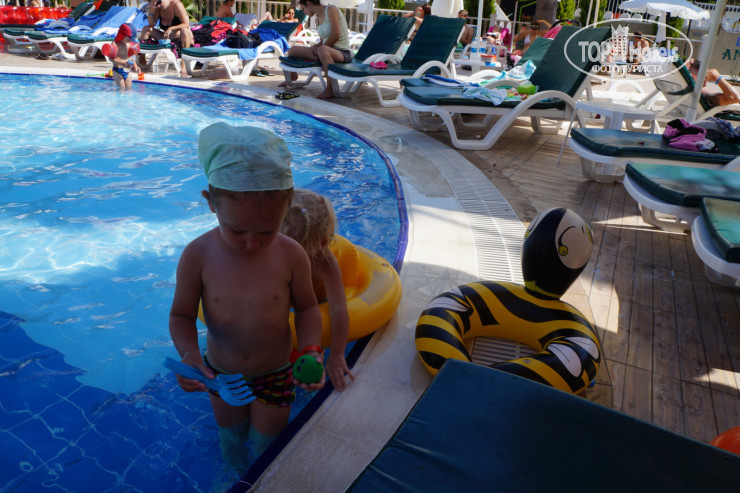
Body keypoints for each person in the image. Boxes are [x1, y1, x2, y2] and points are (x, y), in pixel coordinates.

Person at [169, 123, 325, 468]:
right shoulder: (198, 256)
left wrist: (312, 350)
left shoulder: (291, 255)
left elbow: (307, 308)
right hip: (221, 374)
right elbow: (181, 315)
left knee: (269, 445)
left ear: (286, 208)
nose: (252, 243)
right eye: (237, 230)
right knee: (232, 438)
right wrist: (189, 354)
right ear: (211, 203)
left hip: (277, 371)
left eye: (267, 232)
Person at [280, 189, 355, 391]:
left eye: (295, 250)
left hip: (316, 300)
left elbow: (338, 309)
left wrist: (337, 355)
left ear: (321, 244)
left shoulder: (324, 262)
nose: (284, 254)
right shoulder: (275, 252)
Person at [278, 0, 351, 99]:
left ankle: (331, 89)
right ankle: (292, 76)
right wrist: (314, 48)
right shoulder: (318, 17)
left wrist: (319, 49)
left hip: (342, 52)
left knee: (322, 50)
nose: (304, 12)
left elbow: (336, 35)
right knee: (292, 50)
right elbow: (323, 41)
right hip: (324, 50)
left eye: (304, 8)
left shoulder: (331, 9)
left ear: (308, 3)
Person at [139, 0, 194, 77]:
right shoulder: (159, 7)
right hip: (166, 36)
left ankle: (184, 62)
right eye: (155, 4)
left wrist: (171, 28)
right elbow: (151, 25)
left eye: (159, 2)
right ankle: (142, 57)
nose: (158, 6)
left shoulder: (177, 5)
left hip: (180, 36)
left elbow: (186, 24)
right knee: (146, 29)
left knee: (185, 30)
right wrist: (151, 12)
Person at [109, 24, 141, 91]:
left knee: (129, 89)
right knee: (121, 89)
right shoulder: (115, 44)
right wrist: (123, 62)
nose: (130, 41)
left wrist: (135, 66)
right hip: (117, 71)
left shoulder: (129, 44)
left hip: (127, 71)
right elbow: (111, 59)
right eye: (128, 39)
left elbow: (131, 57)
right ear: (122, 35)